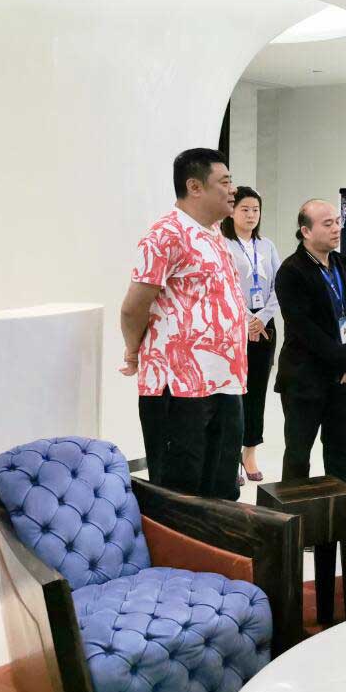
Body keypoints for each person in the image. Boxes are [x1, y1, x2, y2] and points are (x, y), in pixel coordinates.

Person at [119, 148, 246, 501]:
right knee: (180, 493)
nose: (233, 190)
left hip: (225, 381)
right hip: (179, 388)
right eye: (225, 182)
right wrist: (133, 351)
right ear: (195, 187)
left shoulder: (215, 232)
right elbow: (133, 308)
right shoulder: (166, 234)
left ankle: (219, 541)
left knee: (222, 489)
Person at [274, 199, 346, 486]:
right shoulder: (291, 271)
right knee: (298, 453)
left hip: (340, 375)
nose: (336, 228)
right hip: (304, 376)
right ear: (306, 231)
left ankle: (344, 509)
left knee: (340, 448)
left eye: (338, 221)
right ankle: (295, 510)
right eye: (328, 224)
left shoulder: (341, 263)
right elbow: (304, 329)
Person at [220, 186, 282, 485]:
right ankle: (229, 454)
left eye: (255, 210)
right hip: (234, 325)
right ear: (231, 211)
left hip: (265, 326)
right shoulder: (223, 244)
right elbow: (224, 287)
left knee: (257, 390)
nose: (251, 215)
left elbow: (279, 285)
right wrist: (247, 320)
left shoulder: (267, 246)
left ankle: (250, 451)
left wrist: (262, 318)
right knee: (234, 392)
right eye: (244, 209)